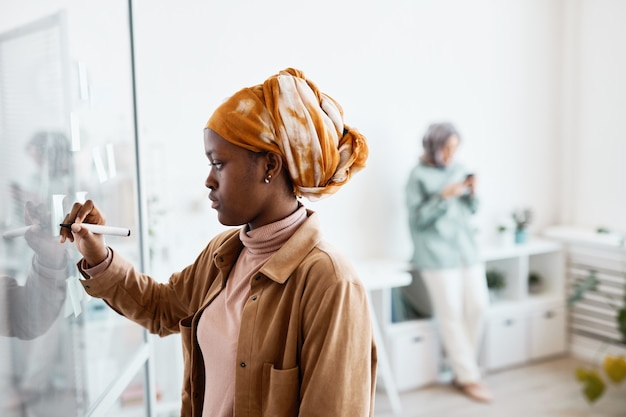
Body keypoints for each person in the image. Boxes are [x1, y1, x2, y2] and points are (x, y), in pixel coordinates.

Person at [60, 68, 376, 417]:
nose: (209, 181)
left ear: (269, 165)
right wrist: (96, 252)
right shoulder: (223, 254)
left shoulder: (330, 282)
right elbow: (160, 308)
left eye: (219, 164)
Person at [404, 122, 492, 403]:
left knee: (478, 307)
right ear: (434, 146)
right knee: (451, 314)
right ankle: (468, 376)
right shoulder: (417, 176)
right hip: (436, 256)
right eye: (447, 147)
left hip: (467, 250)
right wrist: (443, 197)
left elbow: (472, 210)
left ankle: (460, 367)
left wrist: (472, 192)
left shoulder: (458, 169)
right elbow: (417, 220)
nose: (452, 153)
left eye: (455, 148)